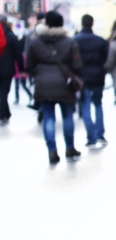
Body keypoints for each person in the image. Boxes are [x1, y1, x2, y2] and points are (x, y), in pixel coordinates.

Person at [27, 11, 83, 164]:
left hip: (43, 84)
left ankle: (52, 151)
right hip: (65, 84)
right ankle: (70, 148)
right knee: (67, 117)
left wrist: (39, 72)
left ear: (46, 23)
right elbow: (77, 65)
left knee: (49, 118)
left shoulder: (35, 42)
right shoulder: (69, 42)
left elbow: (29, 65)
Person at [74, 14, 109, 149]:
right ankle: (100, 133)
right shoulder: (100, 41)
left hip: (82, 78)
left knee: (85, 106)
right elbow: (107, 59)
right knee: (98, 105)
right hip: (98, 77)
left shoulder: (75, 40)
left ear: (82, 24)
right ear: (92, 24)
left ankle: (91, 136)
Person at [0, 16, 22, 125]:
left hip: (6, 69)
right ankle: (3, 115)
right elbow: (18, 53)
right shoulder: (11, 36)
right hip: (6, 69)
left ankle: (5, 113)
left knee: (2, 94)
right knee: (3, 93)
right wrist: (22, 68)